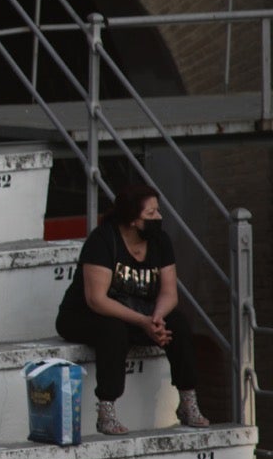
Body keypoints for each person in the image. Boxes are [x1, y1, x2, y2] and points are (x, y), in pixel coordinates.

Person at [56, 183, 209, 436]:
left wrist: (157, 318)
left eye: (158, 212)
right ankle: (106, 410)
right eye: (151, 214)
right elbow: (97, 300)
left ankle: (188, 402)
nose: (158, 218)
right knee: (113, 330)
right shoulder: (103, 240)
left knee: (178, 324)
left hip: (140, 313)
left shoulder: (159, 241)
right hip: (85, 316)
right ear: (132, 220)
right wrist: (142, 321)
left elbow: (169, 292)